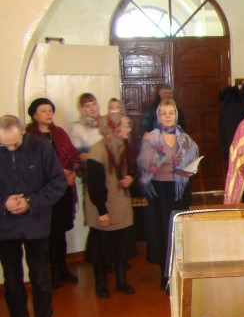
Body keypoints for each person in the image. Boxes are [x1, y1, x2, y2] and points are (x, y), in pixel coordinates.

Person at [0, 114, 66, 317]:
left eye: (14, 144)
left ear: (22, 132)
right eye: (4, 145)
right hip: (5, 227)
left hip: (36, 222)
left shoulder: (41, 147)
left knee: (41, 279)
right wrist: (4, 203)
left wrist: (31, 202)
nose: (10, 148)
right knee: (12, 282)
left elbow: (57, 183)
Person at [138, 99, 199, 290]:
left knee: (180, 232)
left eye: (171, 112)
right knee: (164, 232)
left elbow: (193, 160)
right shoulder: (150, 138)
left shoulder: (185, 139)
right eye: (164, 113)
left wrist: (189, 170)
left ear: (176, 115)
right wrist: (164, 158)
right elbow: (146, 164)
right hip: (159, 191)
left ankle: (179, 272)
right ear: (158, 116)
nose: (167, 116)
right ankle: (165, 275)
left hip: (180, 191)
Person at [25, 98, 83, 288]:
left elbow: (73, 156)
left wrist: (72, 172)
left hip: (63, 190)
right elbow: (32, 165)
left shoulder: (59, 133)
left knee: (61, 231)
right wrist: (59, 172)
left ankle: (63, 268)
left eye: (50, 110)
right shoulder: (29, 136)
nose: (48, 114)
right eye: (43, 111)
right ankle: (53, 271)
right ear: (34, 115)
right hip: (44, 191)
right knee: (48, 233)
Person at [84, 113, 138, 297]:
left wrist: (131, 177)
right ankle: (100, 284)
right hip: (104, 206)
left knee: (121, 247)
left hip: (120, 204)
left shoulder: (124, 146)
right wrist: (102, 211)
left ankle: (121, 282)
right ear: (113, 129)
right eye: (125, 125)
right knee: (101, 249)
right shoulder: (97, 151)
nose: (129, 129)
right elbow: (95, 184)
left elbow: (132, 169)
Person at [68, 93, 103, 160]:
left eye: (94, 104)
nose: (92, 108)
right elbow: (77, 155)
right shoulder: (76, 128)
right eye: (87, 106)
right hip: (91, 164)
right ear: (82, 109)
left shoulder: (106, 122)